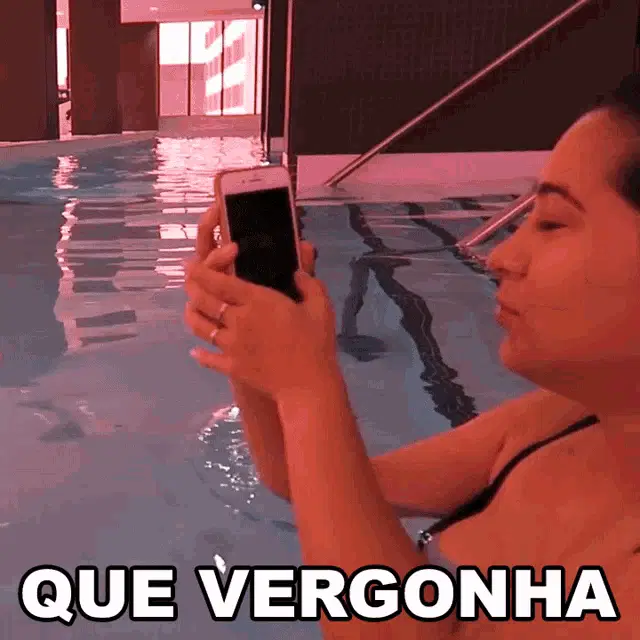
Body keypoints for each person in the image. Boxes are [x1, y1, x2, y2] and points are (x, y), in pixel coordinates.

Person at [184, 74, 640, 638]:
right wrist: (252, 340)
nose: (501, 256)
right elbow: (301, 478)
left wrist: (306, 387)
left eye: (551, 222)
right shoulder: (560, 423)